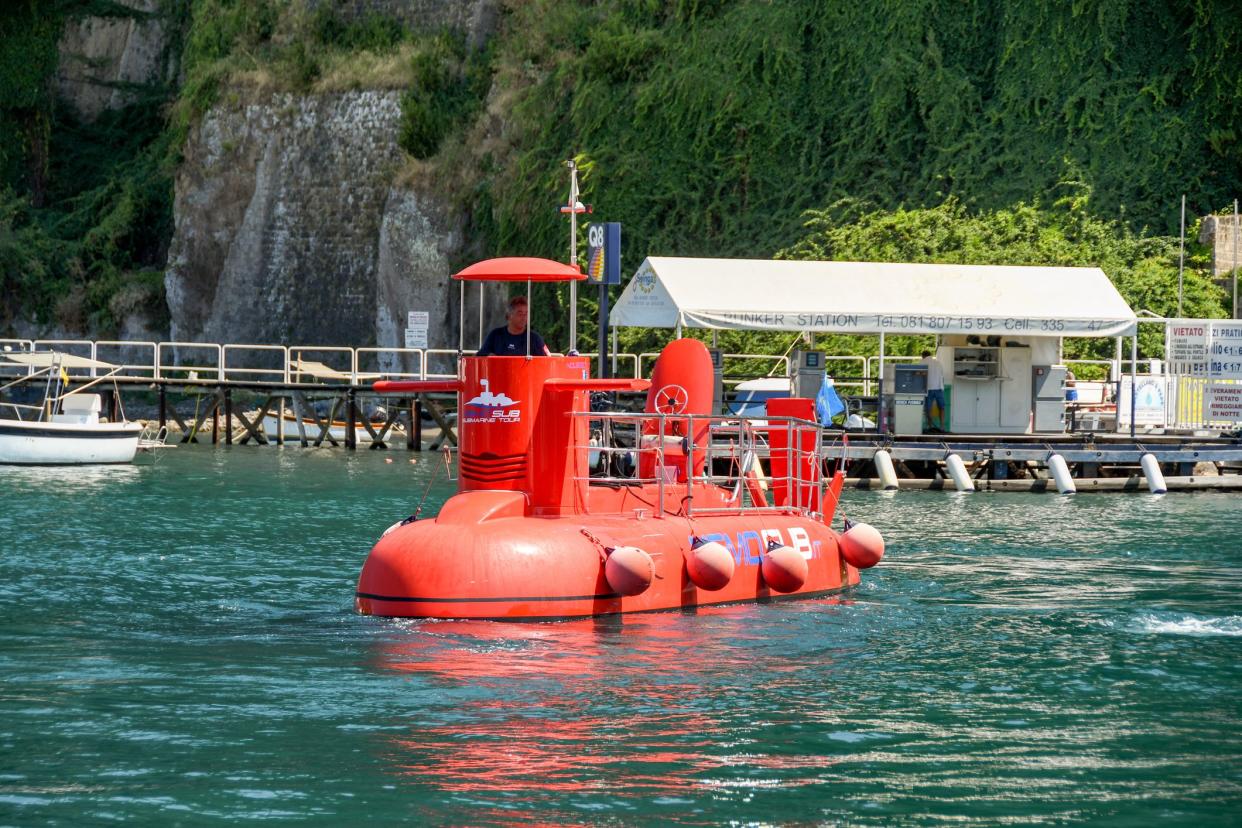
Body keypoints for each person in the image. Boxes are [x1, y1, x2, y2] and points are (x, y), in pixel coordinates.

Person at [477, 296, 550, 356]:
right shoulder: (496, 335)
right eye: (520, 313)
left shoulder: (534, 338)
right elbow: (480, 355)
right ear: (509, 316)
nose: (524, 317)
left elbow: (547, 360)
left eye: (526, 314)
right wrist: (490, 355)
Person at [920, 349, 946, 432]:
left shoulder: (922, 362)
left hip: (929, 389)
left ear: (923, 356)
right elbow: (942, 375)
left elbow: (919, 375)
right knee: (941, 407)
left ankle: (930, 426)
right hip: (939, 388)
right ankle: (942, 426)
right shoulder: (938, 363)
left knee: (928, 409)